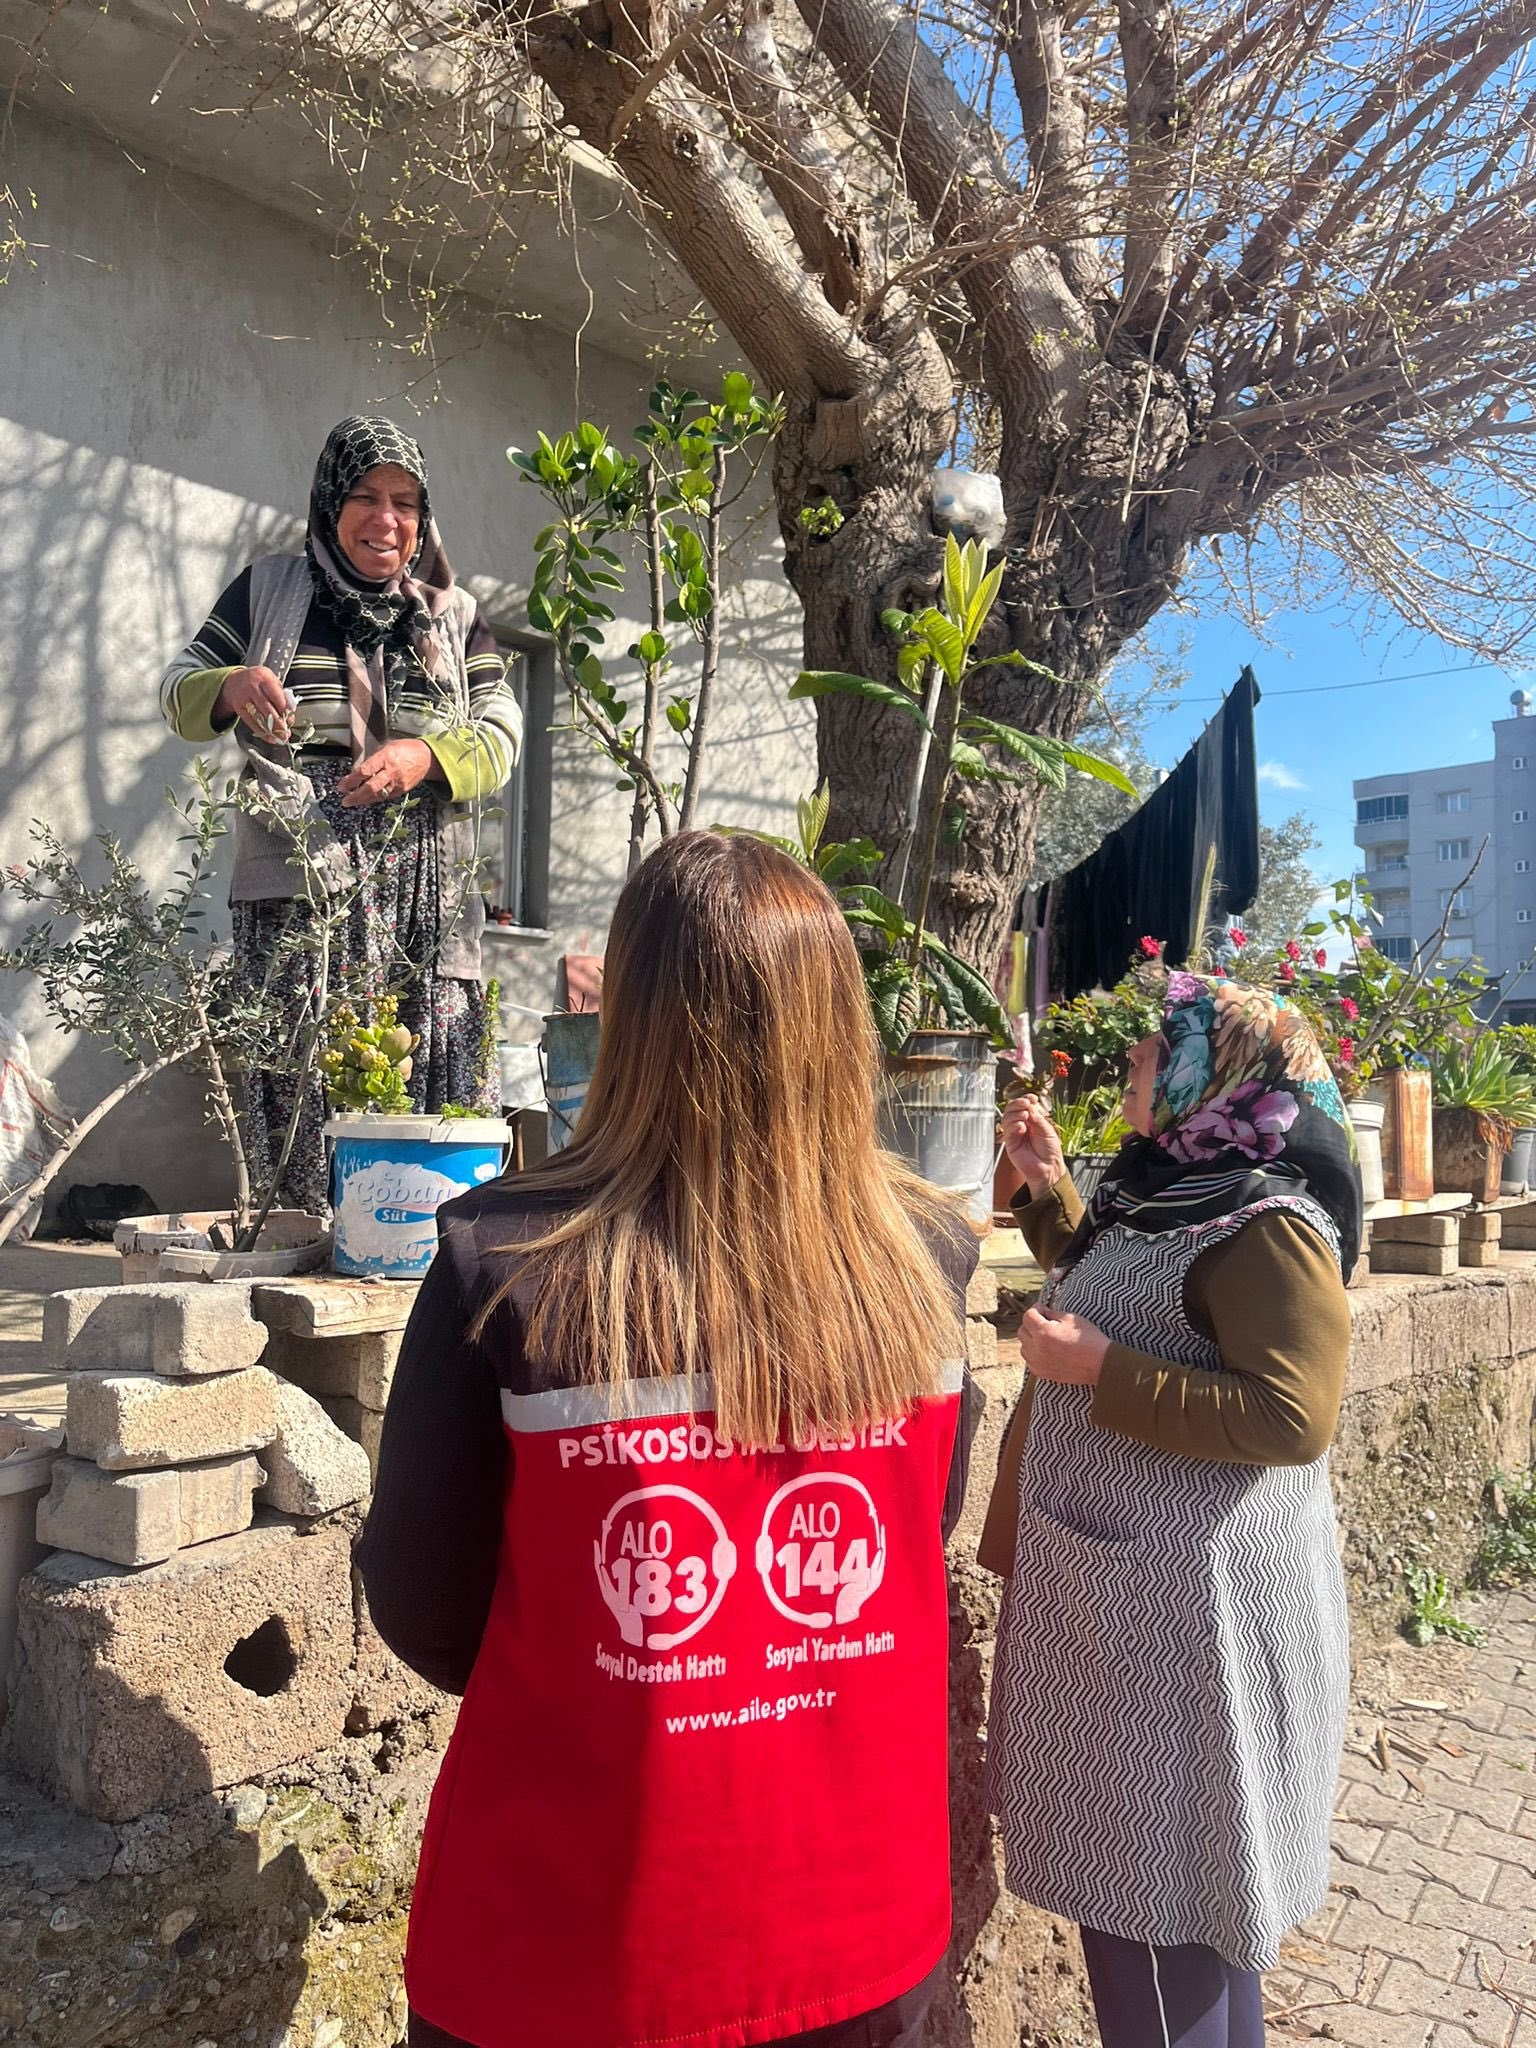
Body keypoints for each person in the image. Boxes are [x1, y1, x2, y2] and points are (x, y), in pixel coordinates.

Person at [358, 831, 979, 2048]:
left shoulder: (506, 1262)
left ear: (634, 1014)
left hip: (578, 1950)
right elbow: (920, 1532)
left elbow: (423, 1601)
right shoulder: (931, 1259)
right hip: (862, 1941)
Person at [981, 970, 1362, 2048]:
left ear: (1220, 1072)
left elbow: (1294, 1414)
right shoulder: (1180, 1184)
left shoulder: (1268, 1220)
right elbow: (1123, 1282)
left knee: (1160, 1914)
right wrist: (1049, 1190)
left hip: (1180, 1624)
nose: (1135, 1066)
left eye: (1155, 1051)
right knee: (1180, 1917)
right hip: (1136, 1598)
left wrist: (1102, 1371)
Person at [160, 416, 522, 1212]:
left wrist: (427, 758)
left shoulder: (454, 616)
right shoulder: (268, 589)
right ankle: (302, 1268)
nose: (385, 519)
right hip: (299, 885)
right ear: (329, 503)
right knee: (299, 1070)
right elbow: (177, 691)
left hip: (421, 892)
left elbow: (502, 732)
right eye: (365, 496)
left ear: (424, 517)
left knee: (423, 1069)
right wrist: (227, 687)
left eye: (405, 501)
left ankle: (416, 1273)